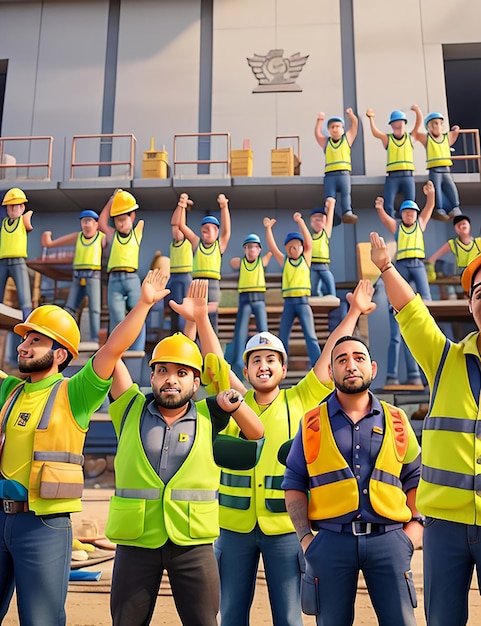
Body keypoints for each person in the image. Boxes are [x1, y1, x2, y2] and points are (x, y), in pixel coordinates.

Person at [0, 268, 171, 626]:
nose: (23, 346)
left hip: (43, 526)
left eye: (35, 341)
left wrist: (143, 303)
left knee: (41, 620)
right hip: (1, 516)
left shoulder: (74, 393)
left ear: (60, 354)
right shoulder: (9, 391)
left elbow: (113, 348)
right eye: (24, 339)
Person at [206, 280, 376, 626]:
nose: (263, 366)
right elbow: (215, 365)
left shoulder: (299, 400)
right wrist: (201, 319)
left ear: (284, 369)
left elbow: (331, 356)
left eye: (271, 359)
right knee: (231, 613)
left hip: (283, 528)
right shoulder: (234, 403)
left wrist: (355, 311)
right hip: (233, 528)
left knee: (288, 615)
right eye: (256, 360)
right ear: (246, 370)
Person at [105, 332, 264, 626]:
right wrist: (142, 306)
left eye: (182, 373)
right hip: (136, 541)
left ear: (195, 381)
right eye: (162, 371)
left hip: (193, 545)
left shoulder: (209, 414)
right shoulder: (129, 408)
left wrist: (236, 402)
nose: (171, 380)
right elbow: (110, 355)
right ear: (151, 376)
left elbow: (256, 433)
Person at [370, 232, 481, 626]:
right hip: (444, 527)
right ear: (470, 306)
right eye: (479, 291)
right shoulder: (446, 360)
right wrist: (385, 267)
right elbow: (412, 313)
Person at [282, 335, 423, 626]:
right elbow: (294, 482)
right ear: (331, 371)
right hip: (332, 542)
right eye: (342, 359)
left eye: (358, 358)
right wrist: (306, 540)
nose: (351, 365)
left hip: (390, 540)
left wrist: (413, 532)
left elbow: (415, 477)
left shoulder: (397, 420)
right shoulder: (311, 423)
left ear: (372, 367)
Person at [375, 180, 435, 386]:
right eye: (407, 212)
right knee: (397, 302)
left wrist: (430, 195)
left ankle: (422, 374)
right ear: (402, 215)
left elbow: (429, 209)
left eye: (413, 213)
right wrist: (380, 208)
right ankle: (393, 375)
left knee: (425, 300)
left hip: (418, 265)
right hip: (401, 266)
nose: (410, 215)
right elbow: (385, 220)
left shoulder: (421, 224)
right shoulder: (398, 227)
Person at [263, 211, 321, 368]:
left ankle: (317, 365)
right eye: (290, 247)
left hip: (303, 302)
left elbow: (309, 242)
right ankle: (281, 365)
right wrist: (268, 229)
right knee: (283, 336)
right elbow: (272, 247)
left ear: (302, 248)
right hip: (289, 303)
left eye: (297, 246)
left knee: (310, 336)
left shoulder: (306, 259)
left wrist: (300, 222)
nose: (294, 249)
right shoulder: (285, 261)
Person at [41, 209, 107, 343]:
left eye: (89, 221)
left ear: (96, 224)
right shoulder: (78, 237)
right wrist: (50, 243)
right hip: (77, 275)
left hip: (93, 275)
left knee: (94, 309)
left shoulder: (101, 237)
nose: (86, 225)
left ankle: (95, 338)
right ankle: (63, 334)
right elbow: (61, 242)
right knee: (70, 307)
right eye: (84, 221)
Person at [174, 193, 231, 333]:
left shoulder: (219, 245)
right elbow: (181, 225)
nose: (205, 233)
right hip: (196, 284)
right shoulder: (196, 243)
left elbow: (227, 231)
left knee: (211, 321)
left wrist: (224, 207)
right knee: (193, 319)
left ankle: (211, 351)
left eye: (209, 230)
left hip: (212, 285)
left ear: (216, 231)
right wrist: (182, 205)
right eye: (203, 230)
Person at [98, 189, 145, 351]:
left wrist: (124, 203)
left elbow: (133, 213)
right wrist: (112, 201)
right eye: (118, 220)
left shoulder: (137, 232)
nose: (122, 223)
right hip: (114, 279)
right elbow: (101, 223)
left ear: (131, 218)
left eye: (125, 219)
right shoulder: (111, 235)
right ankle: (116, 350)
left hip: (132, 278)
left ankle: (137, 349)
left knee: (138, 313)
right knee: (117, 317)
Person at [228, 232, 272, 379]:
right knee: (240, 331)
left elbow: (271, 251)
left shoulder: (262, 261)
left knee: (263, 331)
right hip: (245, 299)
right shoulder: (242, 262)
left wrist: (268, 229)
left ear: (259, 250)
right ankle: (238, 363)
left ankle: (267, 357)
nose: (251, 250)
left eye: (254, 247)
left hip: (259, 299)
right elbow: (233, 262)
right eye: (248, 247)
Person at [366, 106, 422, 218]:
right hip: (392, 177)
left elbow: (418, 125)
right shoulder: (388, 139)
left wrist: (417, 111)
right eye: (395, 123)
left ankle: (408, 223)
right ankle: (393, 223)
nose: (398, 125)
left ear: (404, 123)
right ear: (391, 125)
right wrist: (371, 118)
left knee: (410, 203)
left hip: (408, 176)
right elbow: (376, 133)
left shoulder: (409, 137)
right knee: (388, 205)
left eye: (400, 123)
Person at [411, 106, 461, 221]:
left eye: (439, 123)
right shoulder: (427, 138)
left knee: (451, 188)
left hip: (445, 169)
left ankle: (455, 207)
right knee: (436, 190)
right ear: (429, 127)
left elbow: (455, 133)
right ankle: (439, 209)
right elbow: (415, 134)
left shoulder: (446, 137)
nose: (437, 127)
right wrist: (418, 113)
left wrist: (456, 129)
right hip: (434, 170)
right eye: (434, 124)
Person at [314, 109, 359, 224]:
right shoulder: (326, 142)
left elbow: (355, 126)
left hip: (344, 174)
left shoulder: (347, 139)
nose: (335, 129)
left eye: (337, 126)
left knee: (345, 195)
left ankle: (347, 212)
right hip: (330, 175)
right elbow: (317, 134)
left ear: (343, 129)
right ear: (329, 130)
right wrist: (319, 121)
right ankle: (331, 215)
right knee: (329, 198)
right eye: (332, 127)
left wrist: (351, 116)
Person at [0, 187, 33, 320]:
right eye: (9, 206)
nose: (12, 209)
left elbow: (29, 225)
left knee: (24, 297)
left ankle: (27, 324)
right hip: (2, 262)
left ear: (22, 207)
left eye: (15, 206)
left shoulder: (23, 220)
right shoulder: (4, 223)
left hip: (18, 262)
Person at [165, 192, 193, 333]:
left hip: (185, 277)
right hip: (174, 277)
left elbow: (180, 225)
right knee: (175, 310)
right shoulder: (174, 242)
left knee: (185, 310)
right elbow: (175, 224)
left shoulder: (189, 241)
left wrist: (182, 206)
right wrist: (181, 206)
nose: (177, 231)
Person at [309, 198, 337, 297]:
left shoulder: (325, 234)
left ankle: (332, 297)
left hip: (324, 265)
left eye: (320, 219)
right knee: (313, 286)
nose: (317, 221)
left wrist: (331, 206)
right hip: (312, 265)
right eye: (315, 219)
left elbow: (329, 219)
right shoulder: (309, 237)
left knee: (329, 282)